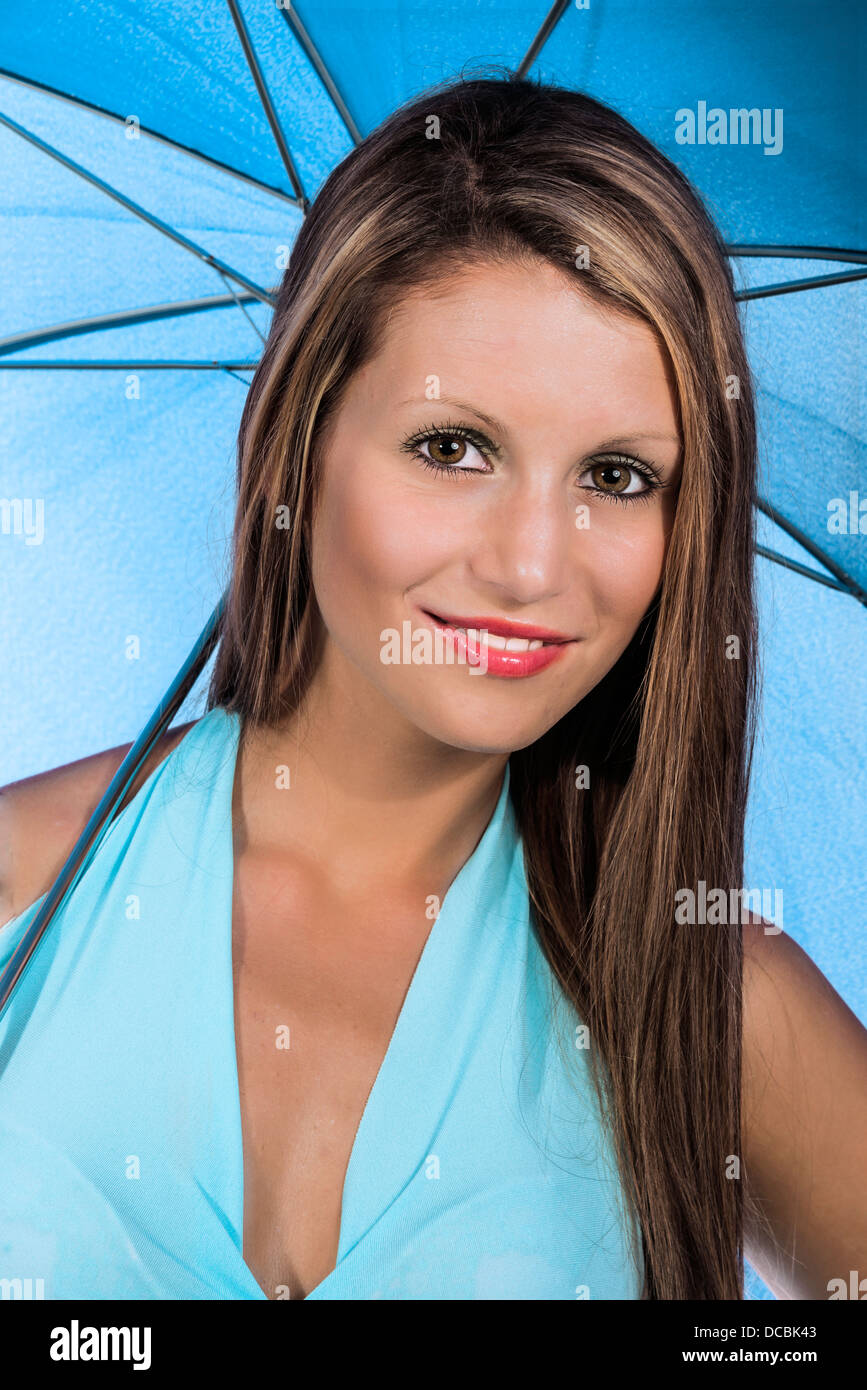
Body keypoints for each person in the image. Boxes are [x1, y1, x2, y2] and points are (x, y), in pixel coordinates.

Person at [1, 74, 865, 1302]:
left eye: (616, 476)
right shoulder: (21, 896)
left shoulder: (713, 1007)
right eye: (452, 448)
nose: (529, 563)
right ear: (300, 443)